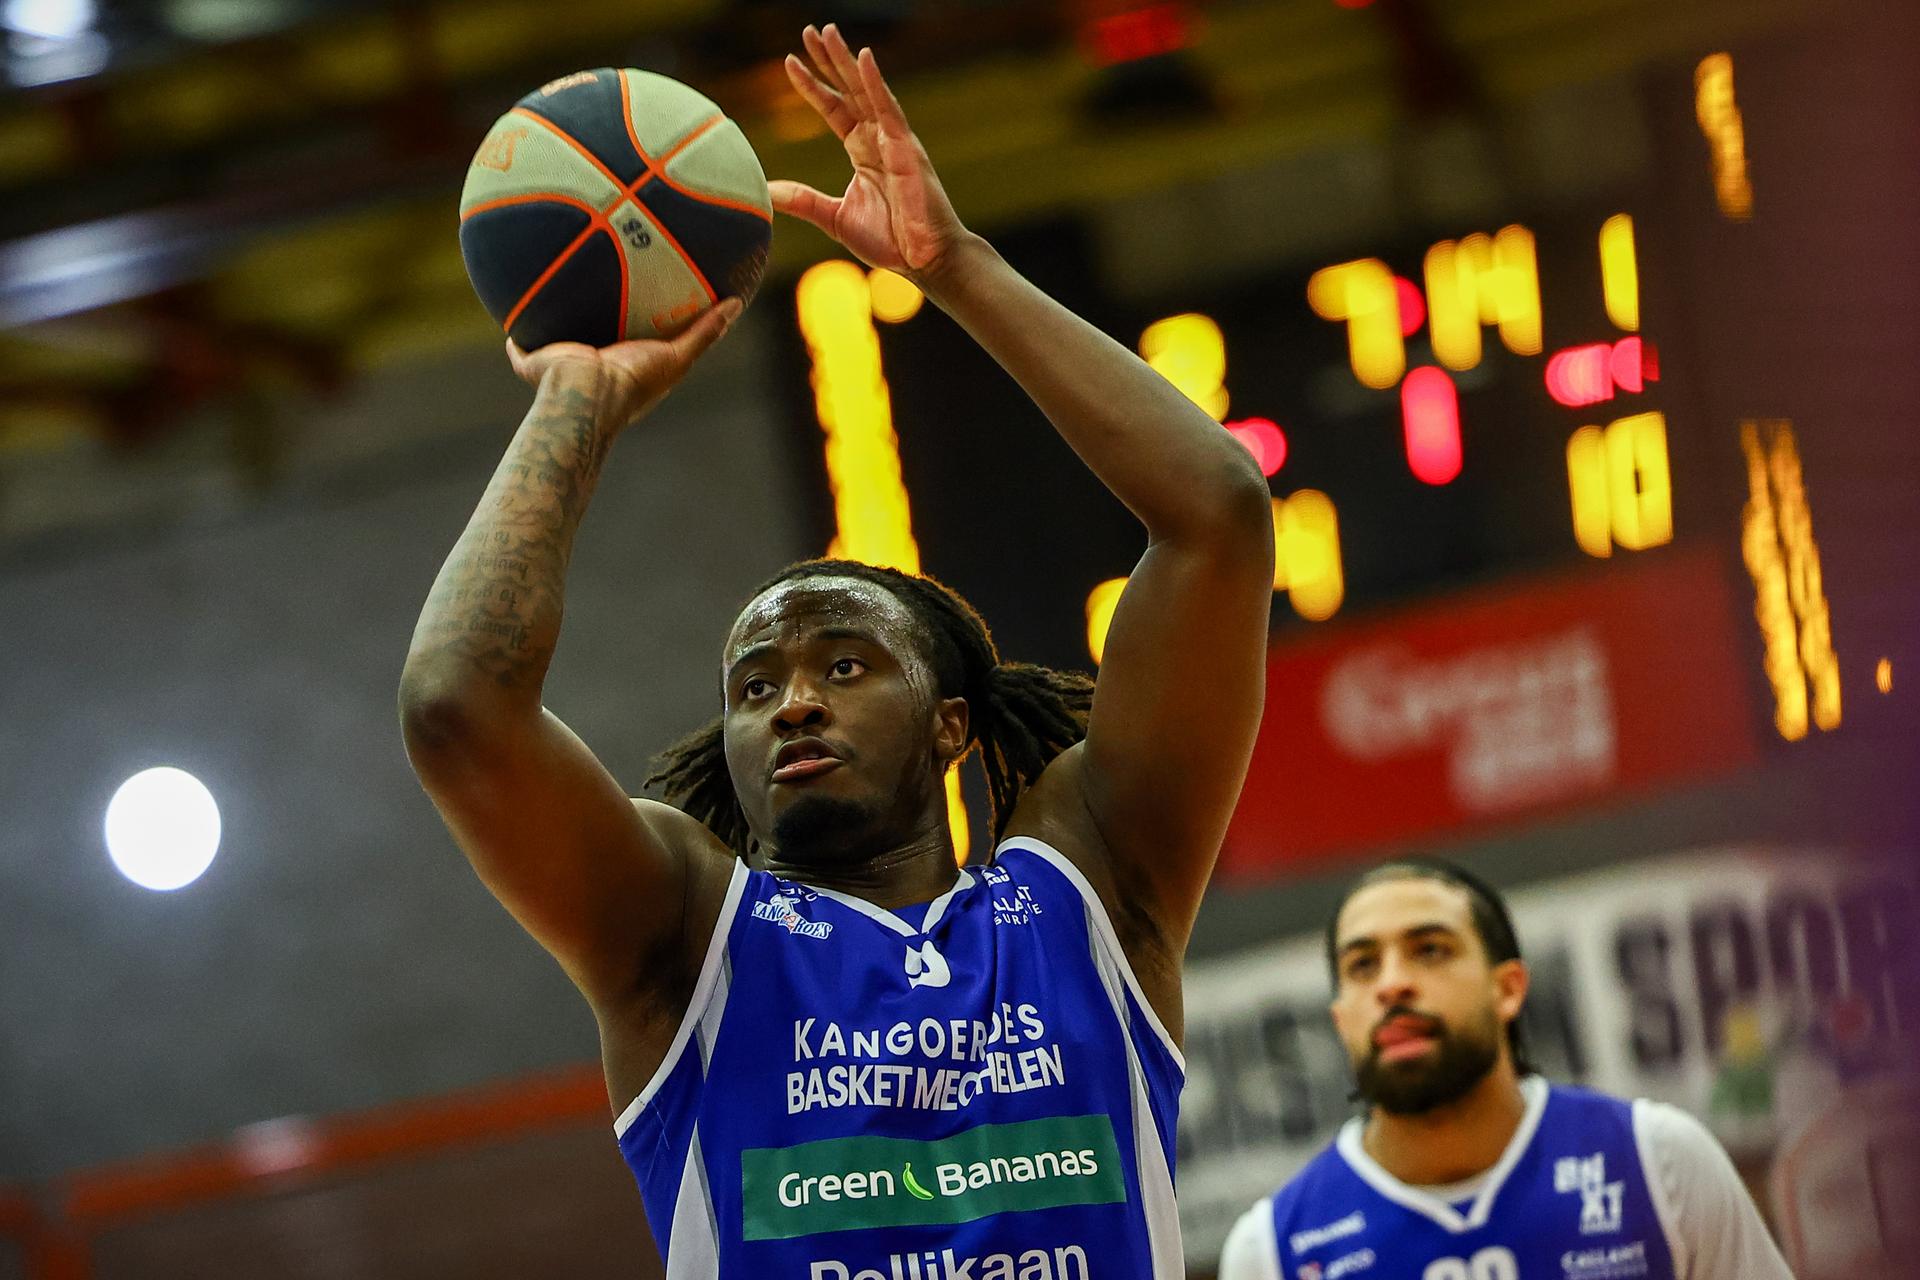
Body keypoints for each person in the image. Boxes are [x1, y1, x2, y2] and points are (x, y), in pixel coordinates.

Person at [399, 22, 1274, 1279]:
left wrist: (956, 266)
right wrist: (577, 398)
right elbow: (455, 711)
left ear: (951, 723)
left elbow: (1220, 517)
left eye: (844, 665)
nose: (792, 703)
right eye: (756, 687)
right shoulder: (689, 933)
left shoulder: (1089, 890)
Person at [1216, 860, 1796, 1280]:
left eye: (1430, 949)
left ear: (1509, 989)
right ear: (1341, 1019)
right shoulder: (1270, 1251)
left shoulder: (1659, 1161)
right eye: (1363, 965)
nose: (1392, 983)